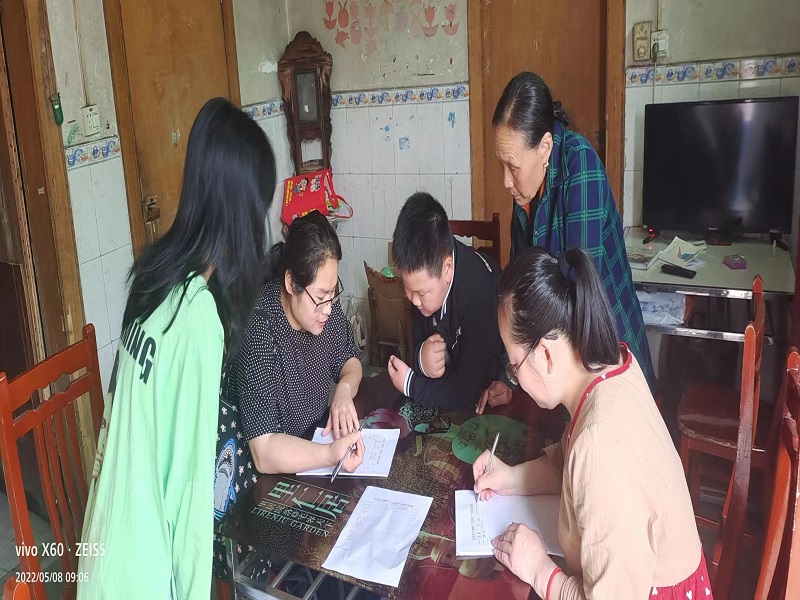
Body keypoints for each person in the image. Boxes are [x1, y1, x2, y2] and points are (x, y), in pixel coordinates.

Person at [78, 97, 277, 599]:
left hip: (102, 555)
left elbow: (113, 430)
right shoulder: (196, 318)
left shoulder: (153, 276)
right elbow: (190, 494)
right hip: (144, 575)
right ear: (241, 211)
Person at [473, 246, 709, 600]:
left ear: (546, 355)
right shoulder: (610, 366)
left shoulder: (601, 443)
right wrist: (508, 478)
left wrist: (538, 568)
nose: (515, 379)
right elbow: (566, 461)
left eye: (514, 366)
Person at [478, 71, 655, 413]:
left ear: (545, 147)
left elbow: (578, 291)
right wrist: (509, 374)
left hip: (604, 350)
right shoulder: (526, 189)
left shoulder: (580, 164)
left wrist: (527, 370)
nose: (505, 181)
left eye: (512, 167)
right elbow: (519, 294)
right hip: (560, 359)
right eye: (502, 165)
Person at [225, 210, 364, 475]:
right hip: (261, 479)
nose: (328, 308)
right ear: (291, 283)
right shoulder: (258, 328)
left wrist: (344, 389)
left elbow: (351, 360)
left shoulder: (324, 308)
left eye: (333, 293)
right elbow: (264, 451)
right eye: (321, 297)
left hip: (310, 449)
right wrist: (329, 454)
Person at [387, 192, 505, 409]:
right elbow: (417, 343)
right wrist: (422, 359)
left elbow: (466, 392)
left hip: (488, 390)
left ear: (447, 269)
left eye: (421, 293)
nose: (414, 300)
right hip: (449, 384)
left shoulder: (479, 296)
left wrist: (410, 384)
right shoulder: (426, 278)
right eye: (407, 288)